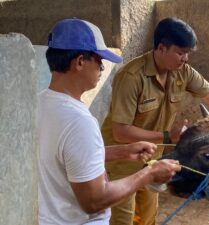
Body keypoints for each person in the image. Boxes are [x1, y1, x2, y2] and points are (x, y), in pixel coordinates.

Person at [101, 17, 209, 225]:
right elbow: (120, 132)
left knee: (146, 216)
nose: (185, 58)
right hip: (121, 159)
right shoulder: (131, 77)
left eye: (188, 53)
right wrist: (166, 136)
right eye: (180, 52)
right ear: (161, 48)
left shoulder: (183, 72)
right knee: (123, 217)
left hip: (152, 156)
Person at [38, 18, 181, 225]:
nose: (102, 68)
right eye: (98, 61)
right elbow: (95, 200)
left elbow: (63, 157)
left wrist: (123, 152)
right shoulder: (79, 121)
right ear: (79, 62)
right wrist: (149, 174)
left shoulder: (39, 103)